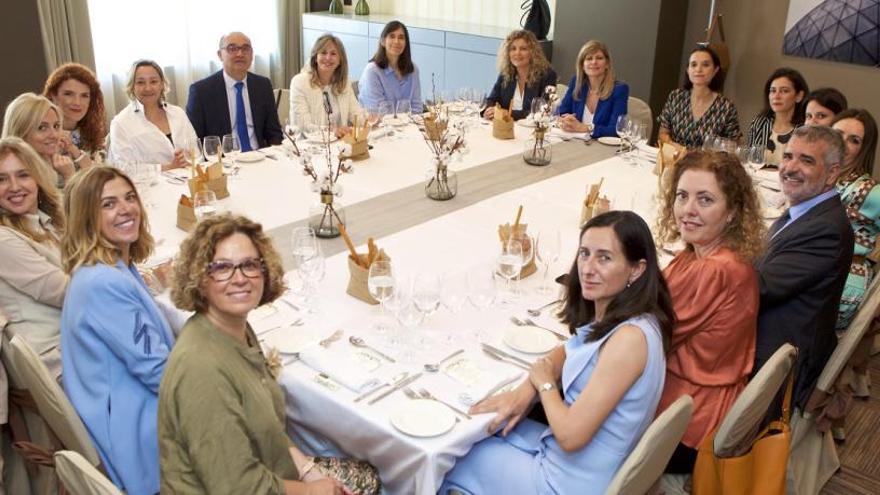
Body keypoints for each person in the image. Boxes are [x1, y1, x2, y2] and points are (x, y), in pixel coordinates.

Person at [441, 211, 674, 495]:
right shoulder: (631, 316)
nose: (588, 268)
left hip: (566, 483)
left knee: (449, 455)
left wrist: (544, 384)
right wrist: (527, 389)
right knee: (482, 430)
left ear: (636, 269)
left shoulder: (629, 340)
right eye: (584, 254)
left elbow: (570, 436)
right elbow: (568, 349)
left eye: (604, 258)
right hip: (589, 467)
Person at [160, 214, 380, 495]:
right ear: (199, 277)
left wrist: (308, 471)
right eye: (222, 268)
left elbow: (267, 424)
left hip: (269, 470)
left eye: (250, 265)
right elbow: (238, 489)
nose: (240, 278)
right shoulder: (201, 370)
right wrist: (313, 491)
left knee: (366, 476)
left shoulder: (235, 328)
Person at [60, 166, 175, 494]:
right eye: (107, 204)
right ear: (86, 217)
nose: (125, 209)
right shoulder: (103, 283)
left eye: (129, 198)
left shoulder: (110, 266)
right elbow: (158, 372)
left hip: (120, 405)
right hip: (136, 429)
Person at [654, 150, 765, 473]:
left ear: (732, 212)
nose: (687, 210)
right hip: (691, 407)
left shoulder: (715, 271)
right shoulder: (700, 255)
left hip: (682, 427)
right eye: (682, 196)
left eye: (705, 200)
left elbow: (645, 336)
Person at [755, 125, 853, 412]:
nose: (790, 168)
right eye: (787, 157)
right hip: (776, 338)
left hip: (775, 364)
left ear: (832, 173)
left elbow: (758, 288)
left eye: (806, 160)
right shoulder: (807, 211)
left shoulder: (826, 230)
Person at [0, 137, 67, 378]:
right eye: (2, 179)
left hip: (79, 335)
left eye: (23, 175)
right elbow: (65, 291)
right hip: (58, 358)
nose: (14, 186)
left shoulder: (44, 222)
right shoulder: (3, 240)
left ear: (37, 178)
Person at [830, 109, 879, 406]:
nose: (843, 143)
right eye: (838, 136)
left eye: (854, 140)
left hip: (844, 282)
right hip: (829, 270)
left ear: (865, 148)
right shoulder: (832, 176)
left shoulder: (869, 191)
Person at [186, 31, 283, 151]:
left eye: (245, 48)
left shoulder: (262, 85)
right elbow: (195, 141)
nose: (240, 53)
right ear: (220, 55)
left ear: (252, 54)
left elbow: (274, 132)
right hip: (224, 161)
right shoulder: (201, 92)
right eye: (232, 48)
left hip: (259, 157)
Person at [108, 60, 197, 171]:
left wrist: (189, 158)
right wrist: (166, 167)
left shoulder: (178, 113)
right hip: (149, 186)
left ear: (162, 85)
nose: (148, 88)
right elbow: (123, 169)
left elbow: (196, 152)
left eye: (153, 81)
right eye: (140, 82)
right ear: (132, 87)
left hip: (187, 181)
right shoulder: (120, 123)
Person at [658, 46, 741, 149]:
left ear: (715, 70)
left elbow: (733, 144)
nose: (698, 69)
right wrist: (675, 147)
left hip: (708, 163)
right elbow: (662, 134)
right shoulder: (675, 97)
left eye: (705, 65)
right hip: (675, 158)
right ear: (688, 70)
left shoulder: (726, 107)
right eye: (693, 65)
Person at [289, 33, 364, 137]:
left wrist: (368, 120)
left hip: (339, 144)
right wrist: (332, 131)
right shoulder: (299, 83)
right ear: (315, 57)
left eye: (333, 54)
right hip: (308, 146)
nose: (328, 58)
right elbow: (303, 126)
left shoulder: (344, 82)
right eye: (323, 53)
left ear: (340, 61)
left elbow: (356, 114)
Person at [556, 40, 628, 138]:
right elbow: (561, 111)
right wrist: (566, 119)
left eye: (599, 58)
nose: (594, 62)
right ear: (582, 65)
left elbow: (617, 130)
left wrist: (586, 128)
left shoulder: (619, 90)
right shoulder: (577, 82)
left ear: (607, 64)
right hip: (575, 141)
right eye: (589, 58)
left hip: (603, 148)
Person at [2, 93, 77, 186]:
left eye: (56, 126)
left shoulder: (54, 165)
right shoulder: (15, 173)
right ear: (21, 131)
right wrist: (69, 177)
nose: (54, 135)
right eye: (42, 128)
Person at [481, 29, 556, 122]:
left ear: (533, 52)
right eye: (513, 49)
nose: (517, 53)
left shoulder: (547, 75)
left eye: (523, 49)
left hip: (532, 130)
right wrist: (489, 110)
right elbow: (492, 99)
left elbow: (542, 112)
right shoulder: (506, 73)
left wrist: (507, 113)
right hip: (505, 128)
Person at [43, 62, 106, 168]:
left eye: (84, 96)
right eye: (69, 94)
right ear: (53, 96)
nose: (77, 102)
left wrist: (75, 151)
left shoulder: (92, 133)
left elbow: (101, 175)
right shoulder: (41, 134)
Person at [745, 67, 809, 166]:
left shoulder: (805, 129)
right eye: (773, 91)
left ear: (799, 96)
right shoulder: (760, 122)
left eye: (784, 91)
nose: (776, 96)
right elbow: (749, 160)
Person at [358, 20, 423, 114]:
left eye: (401, 38)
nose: (396, 41)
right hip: (379, 126)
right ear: (383, 41)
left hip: (408, 126)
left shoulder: (413, 70)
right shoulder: (372, 71)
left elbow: (417, 107)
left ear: (406, 43)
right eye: (392, 36)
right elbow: (377, 112)